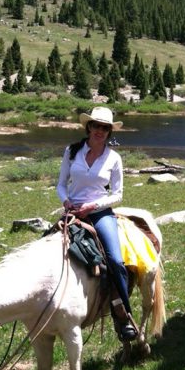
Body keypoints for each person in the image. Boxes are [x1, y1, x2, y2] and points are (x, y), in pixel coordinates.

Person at [56, 106, 136, 341]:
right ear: (89, 127)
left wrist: (93, 206)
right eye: (96, 126)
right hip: (73, 210)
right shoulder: (72, 152)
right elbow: (61, 184)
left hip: (99, 212)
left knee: (114, 259)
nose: (100, 131)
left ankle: (124, 315)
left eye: (105, 127)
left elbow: (118, 194)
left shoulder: (114, 157)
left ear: (109, 131)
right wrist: (66, 201)